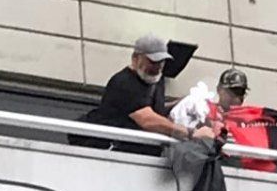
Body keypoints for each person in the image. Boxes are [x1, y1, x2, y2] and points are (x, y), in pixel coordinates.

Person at [80, 34, 214, 153]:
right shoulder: (124, 83)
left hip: (145, 153)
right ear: (135, 58)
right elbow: (147, 119)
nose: (157, 67)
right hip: (120, 153)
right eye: (152, 61)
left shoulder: (156, 81)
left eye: (161, 62)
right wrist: (190, 133)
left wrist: (183, 103)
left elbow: (155, 111)